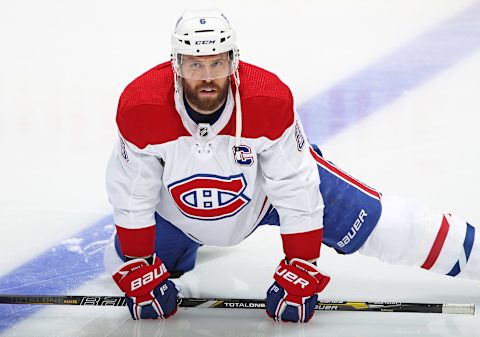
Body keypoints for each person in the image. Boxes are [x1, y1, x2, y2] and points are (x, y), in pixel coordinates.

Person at [106, 8, 478, 323]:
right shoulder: (141, 107)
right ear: (176, 64)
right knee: (118, 261)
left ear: (233, 61)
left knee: (388, 225)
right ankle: (184, 247)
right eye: (195, 64)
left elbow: (296, 187)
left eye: (217, 62)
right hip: (178, 210)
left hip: (263, 195)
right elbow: (132, 194)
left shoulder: (267, 100)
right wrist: (139, 265)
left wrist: (302, 264)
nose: (207, 77)